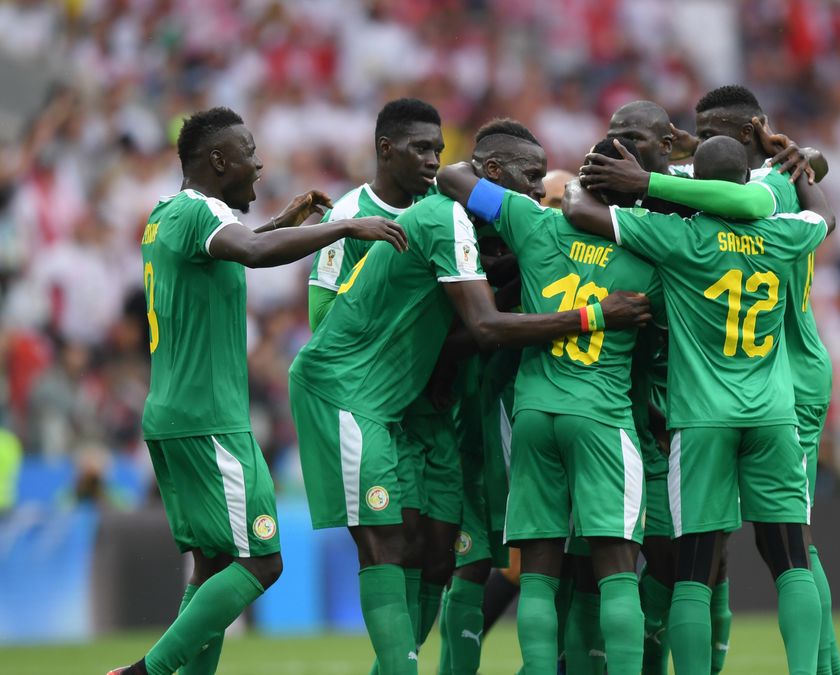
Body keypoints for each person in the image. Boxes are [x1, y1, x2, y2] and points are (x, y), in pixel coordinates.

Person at [287, 118, 651, 675]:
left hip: (451, 407)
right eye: (530, 177)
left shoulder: (514, 228)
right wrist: (594, 314)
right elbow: (479, 325)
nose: (537, 191)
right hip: (368, 398)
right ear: (495, 174)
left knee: (451, 555)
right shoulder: (435, 215)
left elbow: (488, 283)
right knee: (396, 543)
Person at [109, 106, 408, 675]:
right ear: (219, 160)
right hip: (210, 419)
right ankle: (144, 672)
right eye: (249, 151)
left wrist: (281, 225)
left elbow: (231, 253)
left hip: (173, 416)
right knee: (263, 562)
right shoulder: (200, 212)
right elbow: (247, 252)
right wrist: (346, 225)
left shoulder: (167, 214)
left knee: (214, 568)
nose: (259, 162)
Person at [582, 85, 840, 675]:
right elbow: (824, 215)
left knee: (693, 572)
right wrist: (797, 157)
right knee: (793, 557)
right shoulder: (783, 224)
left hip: (702, 417)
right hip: (776, 405)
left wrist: (632, 185)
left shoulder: (678, 239)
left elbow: (590, 216)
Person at [437, 137, 664, 674]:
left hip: (535, 414)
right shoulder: (651, 256)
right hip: (603, 417)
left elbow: (450, 176)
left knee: (535, 574)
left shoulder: (532, 223)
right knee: (614, 569)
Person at [303, 97, 445, 661]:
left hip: (432, 399)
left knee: (435, 551)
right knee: (390, 538)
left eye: (438, 148)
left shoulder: (441, 209)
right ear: (386, 149)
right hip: (369, 400)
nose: (433, 159)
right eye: (420, 148)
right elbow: (321, 318)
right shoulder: (348, 214)